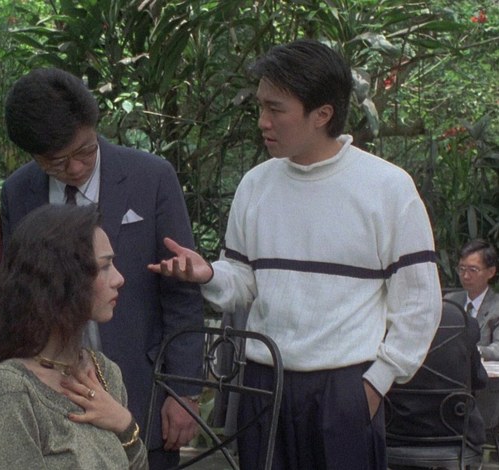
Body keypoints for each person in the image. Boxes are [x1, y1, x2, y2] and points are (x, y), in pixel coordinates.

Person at [148, 39, 442, 469]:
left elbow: (419, 303)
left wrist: (375, 384)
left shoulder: (387, 188)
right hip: (264, 382)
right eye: (261, 107)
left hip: (346, 387)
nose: (263, 122)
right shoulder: (256, 185)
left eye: (275, 109)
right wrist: (208, 274)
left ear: (322, 114)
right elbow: (244, 284)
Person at [0, 67, 204, 468]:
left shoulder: (151, 177)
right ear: (33, 155)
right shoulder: (19, 192)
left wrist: (184, 390)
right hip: (55, 401)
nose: (76, 169)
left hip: (145, 390)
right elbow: (18, 296)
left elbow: (181, 289)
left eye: (85, 151)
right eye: (57, 162)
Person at [0, 204, 148, 469]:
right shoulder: (17, 388)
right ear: (60, 279)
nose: (119, 278)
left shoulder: (105, 373)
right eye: (104, 266)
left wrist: (125, 424)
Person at [386, 299, 487, 455]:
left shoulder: (386, 319)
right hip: (455, 431)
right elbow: (479, 379)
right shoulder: (462, 321)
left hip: (396, 429)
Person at [445, 239, 499, 359]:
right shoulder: (449, 301)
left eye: (473, 270)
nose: (466, 276)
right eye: (462, 269)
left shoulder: (496, 306)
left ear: (491, 272)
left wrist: (473, 351)